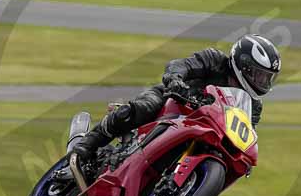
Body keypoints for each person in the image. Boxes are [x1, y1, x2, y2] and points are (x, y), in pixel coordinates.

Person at [71, 35, 282, 162]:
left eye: (267, 78)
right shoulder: (215, 60)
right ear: (243, 65)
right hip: (172, 101)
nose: (263, 81)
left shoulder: (253, 105)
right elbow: (181, 65)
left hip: (205, 128)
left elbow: (245, 132)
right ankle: (86, 145)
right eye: (259, 74)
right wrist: (175, 79)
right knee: (141, 108)